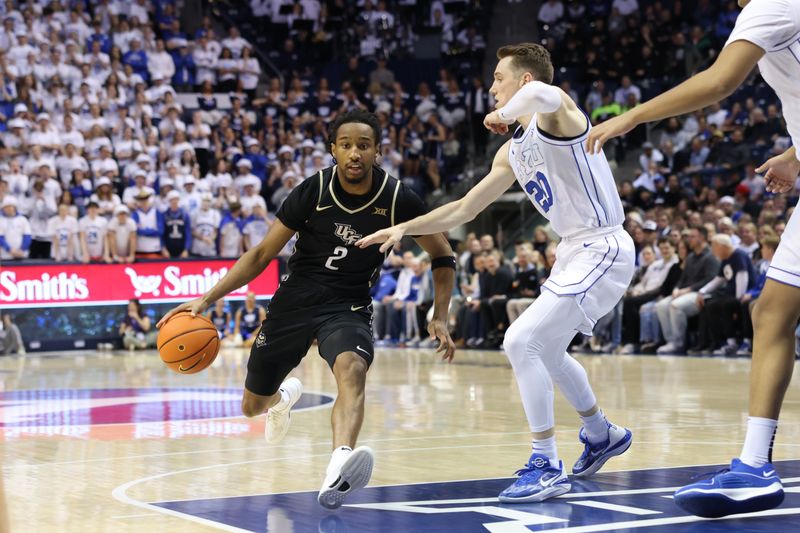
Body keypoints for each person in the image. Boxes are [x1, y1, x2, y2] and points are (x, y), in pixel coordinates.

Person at [357, 42, 635, 503]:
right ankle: (601, 433)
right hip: (572, 252)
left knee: (520, 340)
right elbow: (465, 208)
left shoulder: (560, 116)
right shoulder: (510, 153)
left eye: (498, 79)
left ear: (524, 81)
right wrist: (404, 227)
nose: (491, 89)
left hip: (603, 243)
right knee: (546, 351)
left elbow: (546, 95)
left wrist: (509, 110)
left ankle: (545, 461)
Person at [158, 110, 456, 510]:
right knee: (251, 408)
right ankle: (282, 398)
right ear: (333, 150)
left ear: (378, 152)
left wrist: (439, 314)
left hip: (347, 304)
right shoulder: (312, 191)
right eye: (346, 145)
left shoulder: (397, 197)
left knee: (352, 370)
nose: (354, 153)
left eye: (363, 146)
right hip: (294, 301)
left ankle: (338, 466)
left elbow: (443, 254)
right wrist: (207, 299)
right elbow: (263, 253)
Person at [586, 0, 800, 517]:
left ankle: (754, 468)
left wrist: (632, 116)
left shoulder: (772, 5)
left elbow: (719, 81)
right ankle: (753, 468)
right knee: (771, 312)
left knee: (771, 313)